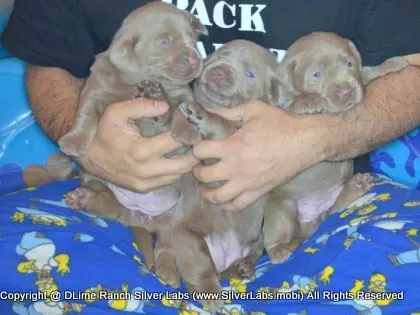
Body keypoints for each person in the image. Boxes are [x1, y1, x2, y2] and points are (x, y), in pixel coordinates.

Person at [1, 0, 420, 213]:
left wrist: (316, 140)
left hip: (315, 200)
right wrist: (91, 145)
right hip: (130, 203)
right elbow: (48, 58)